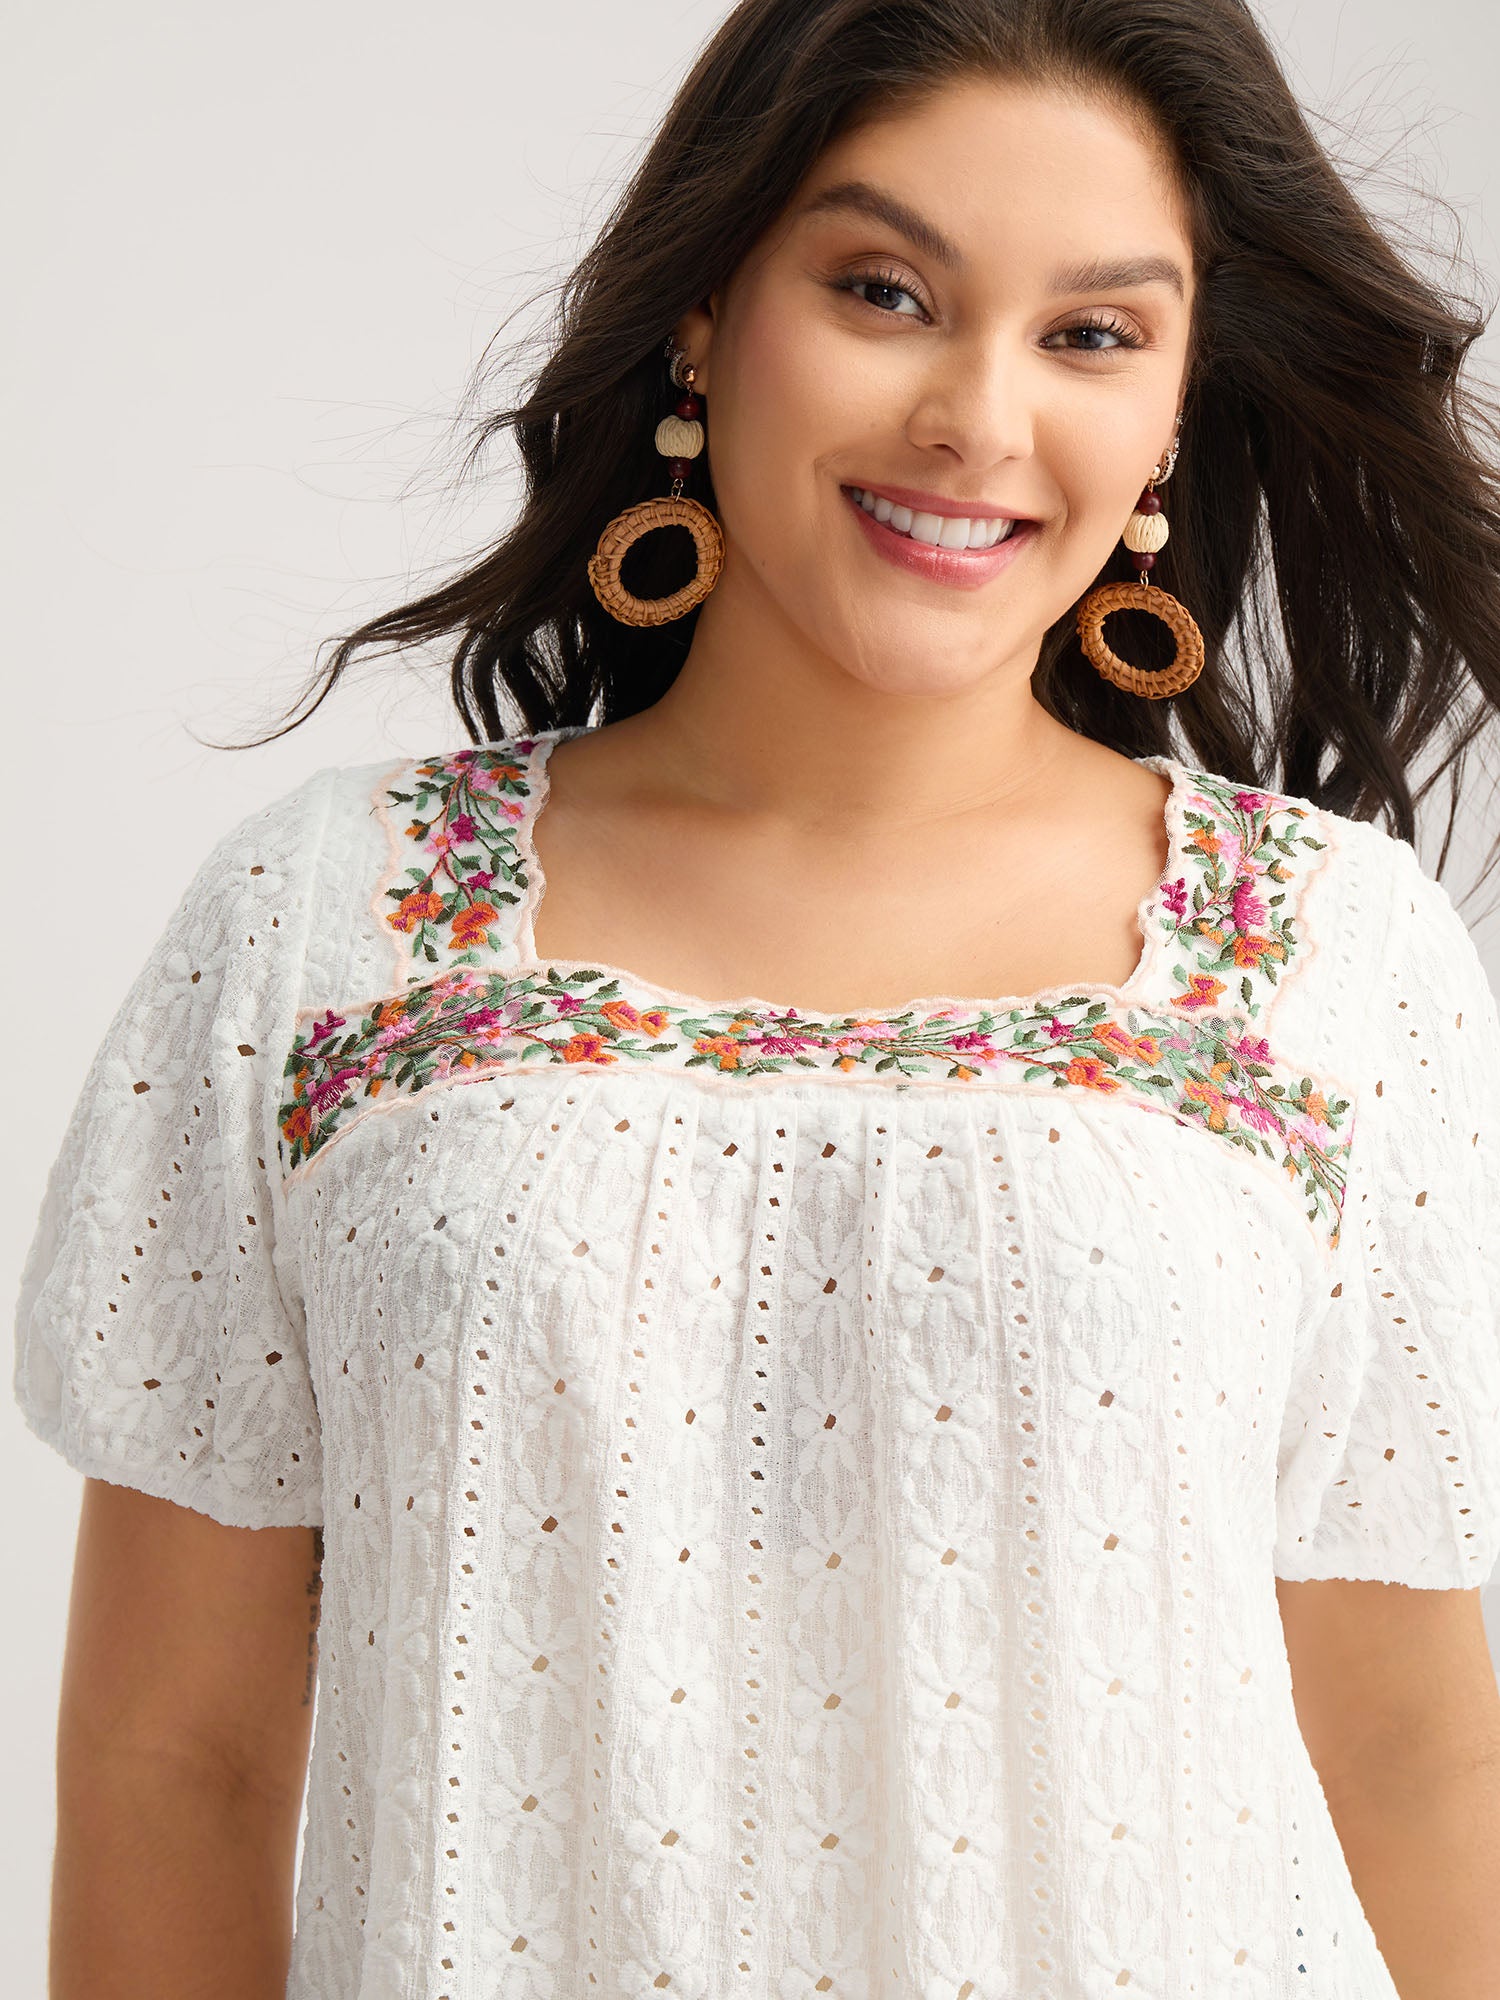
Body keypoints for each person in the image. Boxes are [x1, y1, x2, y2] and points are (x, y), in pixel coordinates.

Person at [15, 0, 1500, 1993]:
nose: (978, 417)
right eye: (886, 291)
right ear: (707, 313)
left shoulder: (1328, 958)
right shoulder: (327, 929)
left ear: (1172, 409)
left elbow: (1408, 1752)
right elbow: (171, 1763)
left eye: (1091, 332)